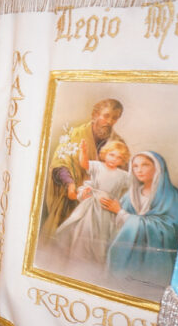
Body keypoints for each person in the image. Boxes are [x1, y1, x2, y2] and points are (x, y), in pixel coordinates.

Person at [43, 99, 124, 238]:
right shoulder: (75, 134)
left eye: (114, 118)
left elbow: (122, 177)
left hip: (100, 208)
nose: (109, 122)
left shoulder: (118, 143)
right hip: (72, 199)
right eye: (106, 116)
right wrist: (70, 184)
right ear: (95, 114)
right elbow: (60, 162)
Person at [103, 151, 178, 287]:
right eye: (135, 166)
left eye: (145, 165)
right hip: (127, 256)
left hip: (155, 261)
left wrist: (122, 213)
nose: (139, 170)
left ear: (158, 168)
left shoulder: (173, 197)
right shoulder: (130, 195)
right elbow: (115, 224)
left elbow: (172, 230)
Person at [53, 140, 131, 264]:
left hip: (107, 207)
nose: (114, 159)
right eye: (111, 155)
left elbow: (134, 185)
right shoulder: (98, 166)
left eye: (119, 158)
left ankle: (94, 261)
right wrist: (83, 152)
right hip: (92, 204)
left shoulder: (123, 175)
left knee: (103, 235)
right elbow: (84, 164)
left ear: (122, 161)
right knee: (85, 230)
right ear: (105, 153)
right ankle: (77, 257)